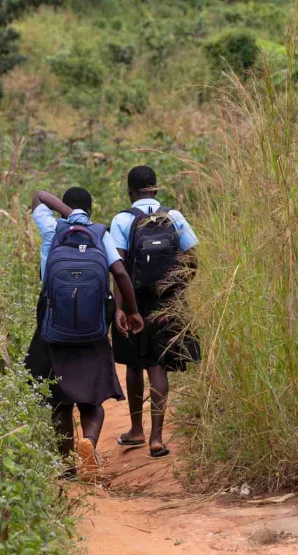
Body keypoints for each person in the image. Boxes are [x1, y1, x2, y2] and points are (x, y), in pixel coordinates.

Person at [24, 187, 144, 478]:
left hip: (53, 328)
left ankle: (67, 469)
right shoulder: (100, 235)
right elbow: (121, 274)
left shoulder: (52, 229)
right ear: (90, 209)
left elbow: (39, 196)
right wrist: (131, 310)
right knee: (93, 401)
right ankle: (88, 441)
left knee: (58, 402)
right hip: (92, 330)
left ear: (66, 208)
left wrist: (66, 214)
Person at [110, 166, 200, 458]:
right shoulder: (174, 216)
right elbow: (193, 260)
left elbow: (119, 269)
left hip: (135, 301)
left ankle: (136, 430)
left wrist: (120, 309)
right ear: (155, 189)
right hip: (167, 302)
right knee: (159, 366)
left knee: (135, 365)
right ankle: (157, 439)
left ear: (130, 191)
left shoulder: (122, 220)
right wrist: (177, 291)